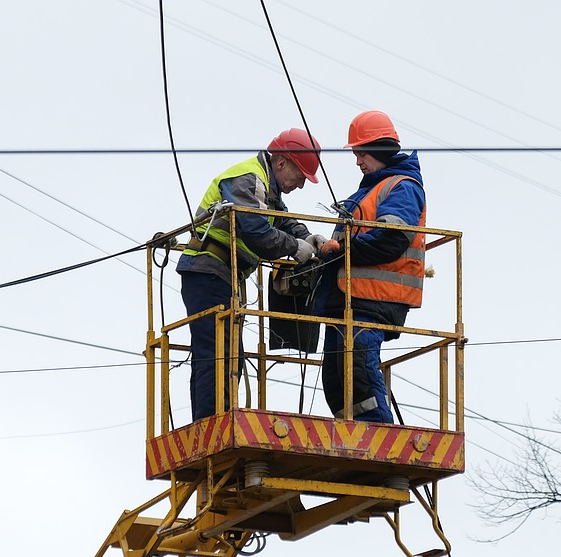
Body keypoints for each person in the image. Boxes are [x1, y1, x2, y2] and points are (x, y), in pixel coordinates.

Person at [177, 128, 324, 422]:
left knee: (228, 355)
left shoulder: (266, 188)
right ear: (281, 163)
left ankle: (213, 421)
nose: (300, 185)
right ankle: (210, 425)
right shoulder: (248, 178)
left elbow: (281, 221)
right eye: (300, 176)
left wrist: (310, 238)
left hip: (220, 275)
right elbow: (255, 231)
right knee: (219, 354)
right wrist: (297, 248)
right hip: (208, 270)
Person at [315, 110, 426, 423]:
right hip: (349, 299)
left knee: (359, 368)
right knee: (336, 381)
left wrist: (344, 249)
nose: (358, 161)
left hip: (374, 298)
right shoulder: (368, 191)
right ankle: (352, 436)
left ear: (378, 150)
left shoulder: (401, 188)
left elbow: (392, 239)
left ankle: (380, 437)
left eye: (361, 153)